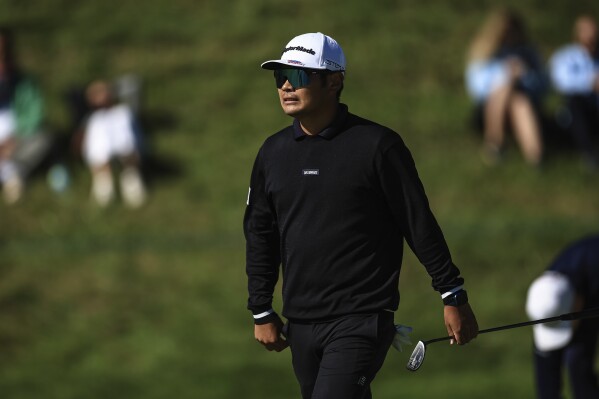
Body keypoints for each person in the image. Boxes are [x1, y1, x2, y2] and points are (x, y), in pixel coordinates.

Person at [244, 32, 479, 399]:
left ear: (333, 81)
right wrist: (261, 308)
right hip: (301, 320)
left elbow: (417, 222)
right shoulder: (272, 153)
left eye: (300, 76)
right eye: (280, 77)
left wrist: (452, 293)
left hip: (361, 318)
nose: (287, 85)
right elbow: (261, 232)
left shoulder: (377, 146)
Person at [465, 8, 547, 166]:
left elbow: (543, 86)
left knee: (519, 101)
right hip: (487, 108)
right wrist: (506, 76)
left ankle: (497, 146)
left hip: (524, 104)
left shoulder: (528, 54)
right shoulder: (486, 54)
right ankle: (534, 154)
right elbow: (477, 89)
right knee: (507, 92)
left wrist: (523, 76)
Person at [526, 234, 599, 398]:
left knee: (577, 363)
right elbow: (546, 382)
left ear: (577, 303)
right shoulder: (546, 295)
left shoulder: (594, 260)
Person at [0, 26, 52, 204]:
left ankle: (14, 173)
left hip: (16, 143)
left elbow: (35, 117)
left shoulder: (24, 82)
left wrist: (14, 140)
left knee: (44, 137)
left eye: (4, 53)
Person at [81, 79, 146, 208]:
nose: (100, 96)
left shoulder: (123, 112)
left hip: (127, 152)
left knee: (124, 132)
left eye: (102, 91)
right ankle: (103, 178)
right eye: (95, 93)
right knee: (98, 132)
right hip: (101, 157)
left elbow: (133, 84)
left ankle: (130, 175)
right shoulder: (92, 119)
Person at [549, 15, 599, 171]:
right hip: (577, 113)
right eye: (586, 31)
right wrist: (590, 83)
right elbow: (561, 82)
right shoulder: (565, 57)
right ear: (577, 34)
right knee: (575, 100)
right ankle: (588, 154)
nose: (591, 36)